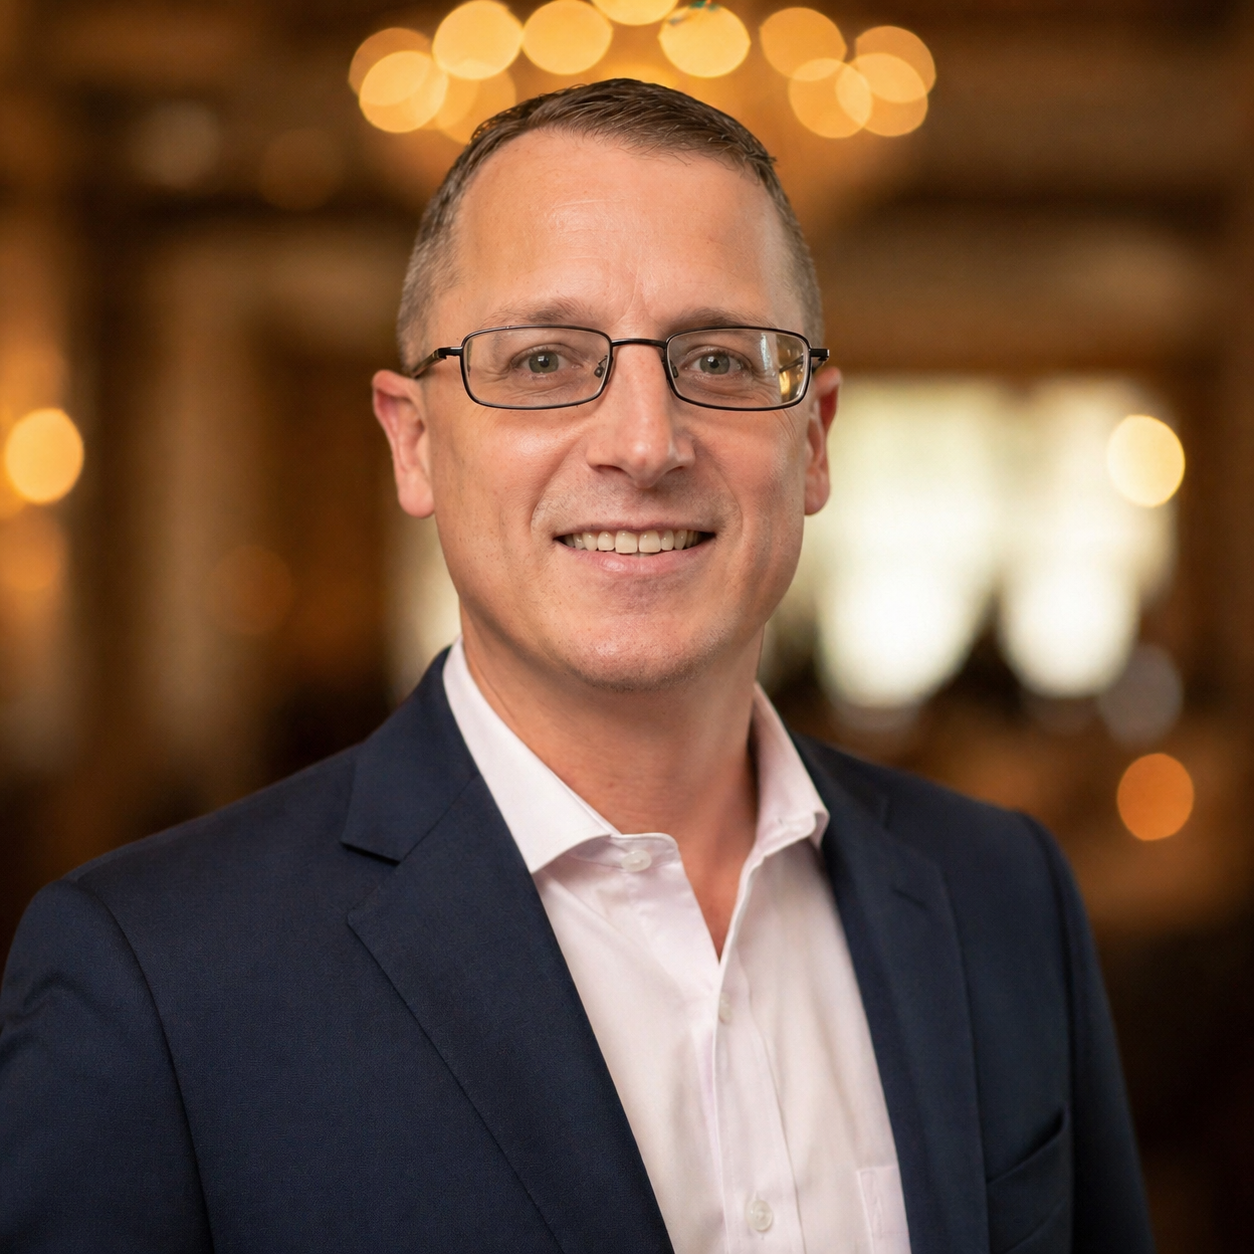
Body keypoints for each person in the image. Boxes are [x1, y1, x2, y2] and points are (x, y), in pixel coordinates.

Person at [0, 80, 1153, 1254]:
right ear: (414, 444)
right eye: (546, 361)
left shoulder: (1003, 894)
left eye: (718, 357)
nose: (645, 443)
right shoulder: (150, 979)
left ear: (812, 441)